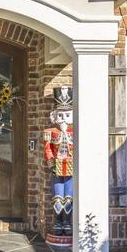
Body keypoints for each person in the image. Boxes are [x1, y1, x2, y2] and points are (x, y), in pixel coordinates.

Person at [42, 87, 74, 238]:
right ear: (54, 116)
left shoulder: (76, 132)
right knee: (58, 196)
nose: (63, 119)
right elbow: (47, 149)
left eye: (67, 115)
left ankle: (67, 222)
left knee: (69, 196)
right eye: (60, 115)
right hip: (57, 167)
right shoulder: (50, 132)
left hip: (71, 167)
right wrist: (51, 163)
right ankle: (58, 222)